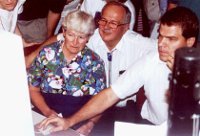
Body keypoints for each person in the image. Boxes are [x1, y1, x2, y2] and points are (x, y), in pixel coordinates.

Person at [37, 6, 199, 134]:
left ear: (190, 41)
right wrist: (69, 122)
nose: (161, 44)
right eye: (160, 36)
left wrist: (186, 80)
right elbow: (110, 94)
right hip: (150, 126)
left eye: (171, 39)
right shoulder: (152, 59)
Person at [28, 10, 107, 136]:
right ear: (64, 32)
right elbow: (33, 89)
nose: (75, 42)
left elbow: (101, 101)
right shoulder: (46, 54)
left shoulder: (95, 63)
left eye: (81, 37)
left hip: (79, 121)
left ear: (88, 38)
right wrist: (48, 112)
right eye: (71, 34)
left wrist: (90, 124)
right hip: (45, 115)